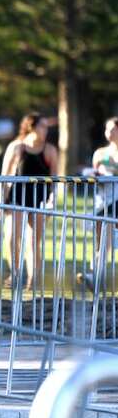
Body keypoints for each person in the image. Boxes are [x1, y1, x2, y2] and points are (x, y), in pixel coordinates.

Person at [0, 112, 57, 288]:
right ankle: (15, 274)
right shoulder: (17, 147)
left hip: (39, 198)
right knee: (11, 237)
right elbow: (4, 176)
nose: (46, 130)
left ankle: (33, 280)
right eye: (42, 126)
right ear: (32, 126)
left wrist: (52, 201)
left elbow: (55, 180)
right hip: (16, 197)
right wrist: (0, 202)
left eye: (47, 127)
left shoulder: (50, 150)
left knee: (33, 242)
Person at [78, 117, 118, 292]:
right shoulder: (100, 153)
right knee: (102, 242)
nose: (108, 133)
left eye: (112, 129)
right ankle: (96, 277)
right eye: (107, 129)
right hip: (104, 200)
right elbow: (94, 174)